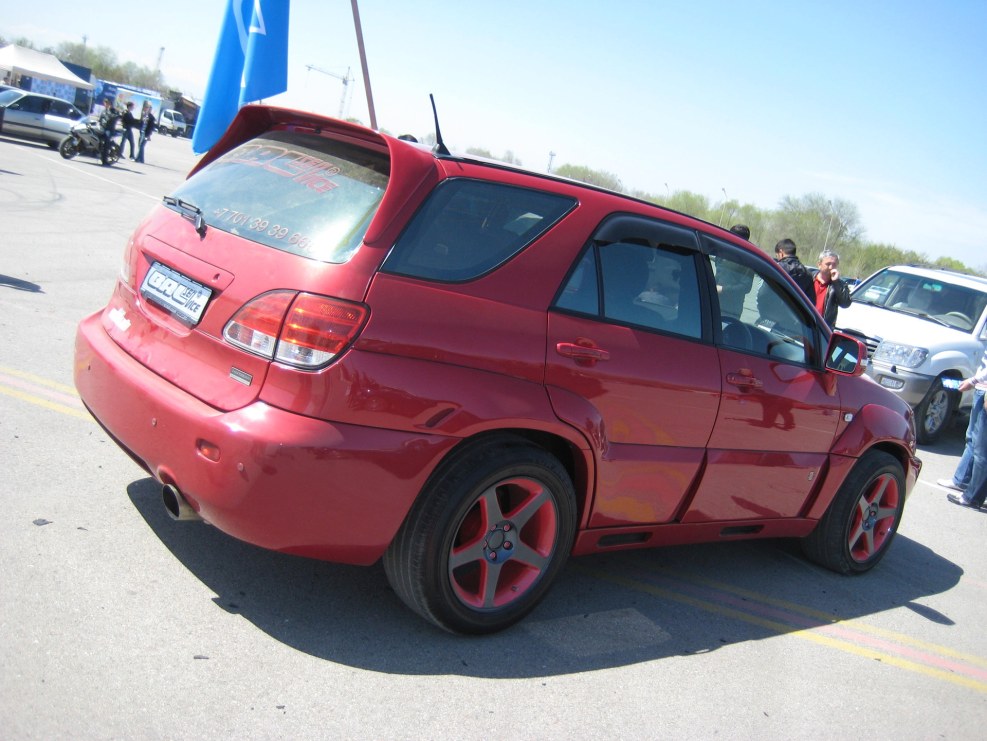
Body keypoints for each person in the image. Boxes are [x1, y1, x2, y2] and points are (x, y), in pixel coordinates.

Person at [940, 349, 987, 510]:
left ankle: (973, 497)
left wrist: (973, 381)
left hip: (984, 389)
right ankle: (961, 481)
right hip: (982, 388)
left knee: (982, 449)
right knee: (973, 440)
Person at [812, 249, 851, 327]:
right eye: (828, 264)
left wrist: (836, 283)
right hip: (803, 321)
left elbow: (845, 304)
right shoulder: (809, 278)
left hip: (823, 327)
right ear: (819, 264)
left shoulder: (840, 285)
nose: (831, 267)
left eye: (834, 265)